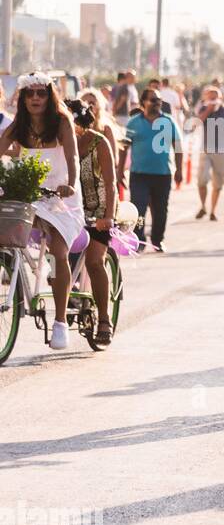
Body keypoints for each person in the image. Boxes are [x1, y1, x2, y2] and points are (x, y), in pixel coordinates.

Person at [1, 74, 84, 350]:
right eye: (30, 94)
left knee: (60, 250)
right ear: (22, 98)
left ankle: (60, 322)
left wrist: (70, 184)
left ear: (50, 96)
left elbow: (72, 157)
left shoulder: (61, 122)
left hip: (61, 197)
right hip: (30, 193)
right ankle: (32, 263)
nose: (36, 98)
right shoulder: (18, 125)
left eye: (41, 93)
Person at [66, 98, 119, 346]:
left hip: (97, 211)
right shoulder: (57, 142)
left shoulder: (99, 141)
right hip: (67, 210)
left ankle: (105, 319)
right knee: (56, 258)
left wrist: (107, 216)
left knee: (95, 261)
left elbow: (110, 184)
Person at [124, 86, 184, 252]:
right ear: (144, 102)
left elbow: (178, 146)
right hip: (139, 174)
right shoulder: (133, 122)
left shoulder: (168, 121)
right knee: (139, 209)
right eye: (153, 100)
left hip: (163, 174)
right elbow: (124, 148)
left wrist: (180, 170)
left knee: (160, 210)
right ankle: (140, 240)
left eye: (159, 100)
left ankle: (158, 240)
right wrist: (119, 170)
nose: (157, 103)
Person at [194, 86, 224, 222]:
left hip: (221, 150)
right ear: (206, 98)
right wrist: (208, 110)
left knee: (218, 182)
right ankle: (203, 206)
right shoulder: (203, 108)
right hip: (206, 149)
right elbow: (197, 123)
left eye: (215, 97)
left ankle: (213, 211)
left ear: (220, 98)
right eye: (210, 97)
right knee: (202, 180)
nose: (213, 99)